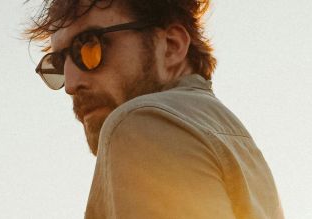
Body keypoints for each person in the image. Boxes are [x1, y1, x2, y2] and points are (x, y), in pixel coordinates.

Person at [25, 0, 282, 218]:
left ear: (171, 46)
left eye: (89, 47)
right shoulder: (236, 145)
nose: (70, 84)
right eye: (58, 62)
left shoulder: (141, 121)